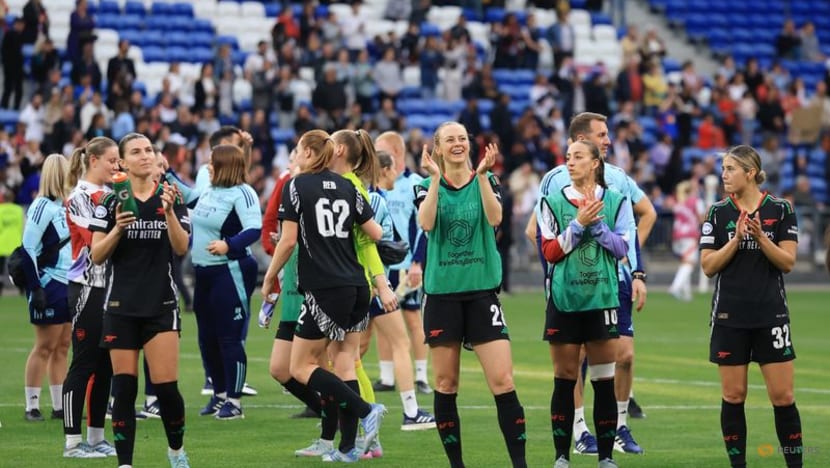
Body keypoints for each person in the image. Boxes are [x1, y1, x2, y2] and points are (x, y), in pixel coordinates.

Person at [528, 112, 653, 454]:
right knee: (575, 360)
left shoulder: (618, 178)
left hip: (616, 280)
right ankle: (581, 430)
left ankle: (620, 427)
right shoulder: (554, 180)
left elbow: (643, 217)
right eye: (602, 134)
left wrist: (635, 271)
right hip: (570, 283)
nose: (608, 139)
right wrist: (554, 280)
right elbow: (538, 230)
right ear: (581, 139)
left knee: (623, 356)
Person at [261, 129, 386, 462]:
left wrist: (270, 276)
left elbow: (287, 242)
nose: (296, 155)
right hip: (357, 285)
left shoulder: (296, 186)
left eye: (298, 149)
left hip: (325, 287)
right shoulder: (348, 186)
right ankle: (346, 447)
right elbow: (376, 232)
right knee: (344, 361)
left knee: (301, 366)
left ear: (306, 153)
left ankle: (365, 411)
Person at [415, 122, 527, 468]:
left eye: (462, 138)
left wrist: (481, 176)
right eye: (450, 139)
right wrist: (435, 180)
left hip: (481, 294)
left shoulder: (487, 180)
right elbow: (427, 223)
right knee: (446, 384)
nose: (458, 144)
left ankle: (520, 464)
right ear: (438, 148)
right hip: (443, 295)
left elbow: (496, 218)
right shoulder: (424, 185)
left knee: (503, 381)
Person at [90, 133, 191, 468]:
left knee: (166, 391)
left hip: (161, 304)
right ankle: (125, 463)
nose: (146, 155)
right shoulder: (109, 202)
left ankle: (176, 452)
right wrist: (118, 229)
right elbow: (96, 255)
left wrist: (169, 214)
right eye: (136, 151)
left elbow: (181, 248)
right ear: (122, 162)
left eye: (149, 149)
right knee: (124, 389)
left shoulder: (171, 196)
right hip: (121, 307)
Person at [700, 145, 803, 468]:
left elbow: (787, 262)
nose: (724, 175)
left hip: (771, 315)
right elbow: (708, 266)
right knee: (733, 396)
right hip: (730, 317)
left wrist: (761, 238)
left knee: (783, 397)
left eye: (730, 169)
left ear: (750, 172)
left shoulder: (780, 209)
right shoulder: (718, 213)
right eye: (724, 168)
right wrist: (735, 240)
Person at [539, 139, 633, 468]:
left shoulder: (618, 201)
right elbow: (549, 251)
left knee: (603, 379)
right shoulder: (550, 201)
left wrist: (597, 225)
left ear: (595, 163)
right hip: (565, 299)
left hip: (602, 298)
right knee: (565, 377)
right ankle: (562, 456)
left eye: (578, 157)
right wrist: (578, 224)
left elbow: (622, 248)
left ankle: (605, 457)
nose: (570, 162)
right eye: (567, 157)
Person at [362, 148, 437, 432]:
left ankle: (337, 410)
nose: (395, 173)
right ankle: (410, 411)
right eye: (391, 168)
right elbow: (381, 244)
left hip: (352, 281)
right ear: (382, 170)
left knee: (354, 348)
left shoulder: (352, 195)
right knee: (400, 341)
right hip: (378, 279)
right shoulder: (375, 200)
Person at [191, 144, 262, 420]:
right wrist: (166, 174)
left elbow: (253, 229)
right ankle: (219, 396)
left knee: (229, 338)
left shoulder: (243, 192)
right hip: (204, 272)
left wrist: (228, 245)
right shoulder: (210, 189)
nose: (208, 165)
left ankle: (235, 401)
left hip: (229, 270)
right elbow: (190, 200)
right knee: (206, 337)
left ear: (225, 165)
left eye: (212, 161)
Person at [61, 137, 120, 458]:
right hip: (86, 287)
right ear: (93, 160)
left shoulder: (113, 195)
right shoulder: (80, 196)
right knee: (83, 364)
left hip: (112, 289)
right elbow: (92, 239)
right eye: (111, 160)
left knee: (105, 366)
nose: (116, 166)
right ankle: (72, 442)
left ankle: (96, 438)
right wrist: (123, 225)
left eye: (118, 161)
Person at [373, 131, 432, 395]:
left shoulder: (416, 183)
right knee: (381, 323)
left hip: (407, 265)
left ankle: (420, 376)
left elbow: (423, 228)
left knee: (412, 319)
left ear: (395, 153)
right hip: (381, 267)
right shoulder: (374, 187)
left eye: (380, 150)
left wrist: (418, 262)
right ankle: (387, 377)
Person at [20, 153, 72, 422]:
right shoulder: (42, 206)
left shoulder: (67, 205)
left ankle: (59, 405)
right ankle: (31, 405)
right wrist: (35, 287)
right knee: (44, 345)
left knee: (63, 345)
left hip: (69, 283)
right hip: (49, 282)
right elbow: (27, 248)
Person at [668, 180, 704, 301]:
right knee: (689, 263)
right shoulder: (696, 201)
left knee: (684, 263)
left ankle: (686, 293)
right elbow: (701, 218)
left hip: (677, 235)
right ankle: (675, 287)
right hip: (690, 235)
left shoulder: (679, 202)